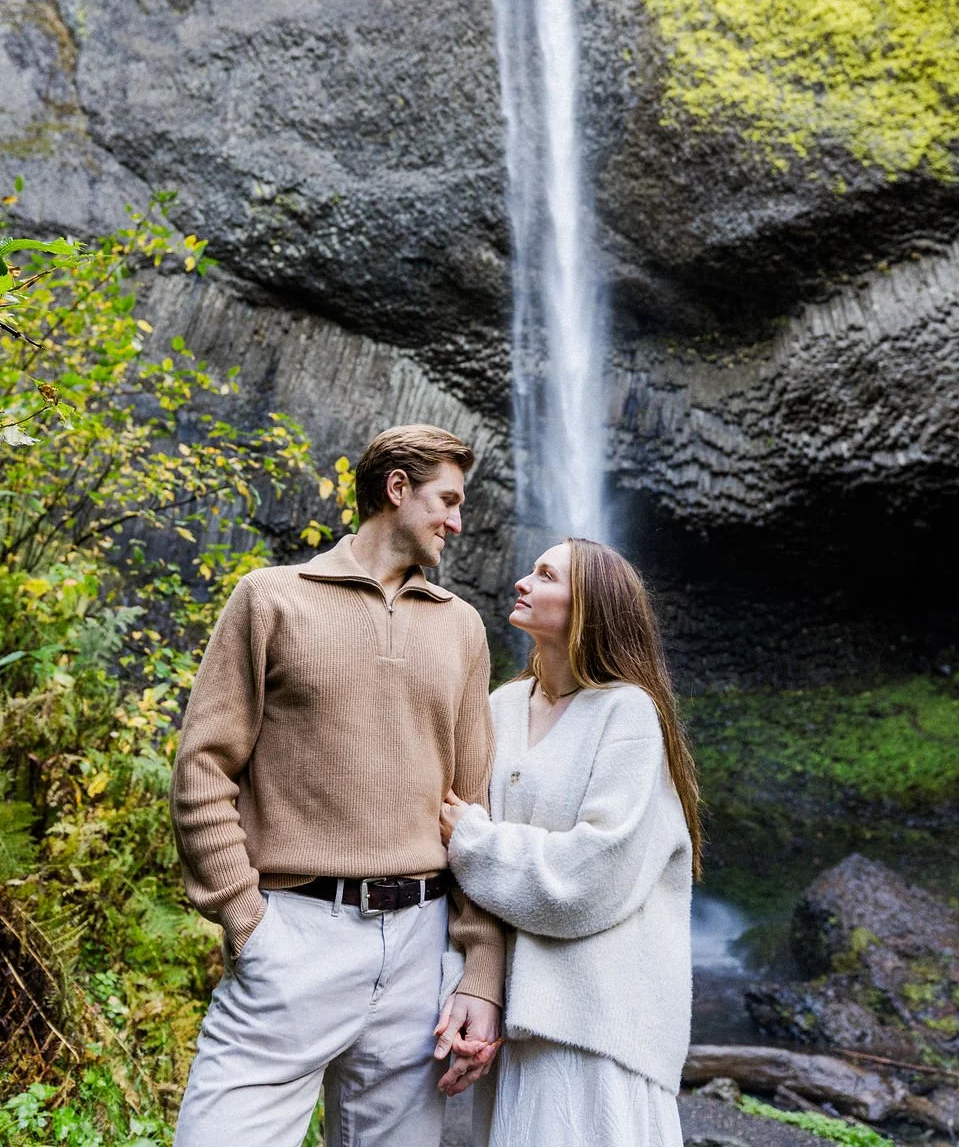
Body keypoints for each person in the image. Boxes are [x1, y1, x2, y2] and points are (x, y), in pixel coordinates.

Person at [170, 424, 504, 1147]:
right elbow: (203, 768)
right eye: (448, 500)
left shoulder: (462, 627)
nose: (457, 521)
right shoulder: (270, 599)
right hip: (294, 936)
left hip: (420, 951)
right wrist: (245, 919)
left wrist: (479, 969)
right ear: (397, 489)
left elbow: (474, 811)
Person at [440, 536, 701, 1147]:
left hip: (596, 1026)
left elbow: (592, 877)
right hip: (515, 1021)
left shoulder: (628, 714)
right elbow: (459, 876)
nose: (522, 583)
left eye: (545, 575)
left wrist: (475, 842)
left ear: (590, 606)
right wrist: (470, 980)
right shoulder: (501, 707)